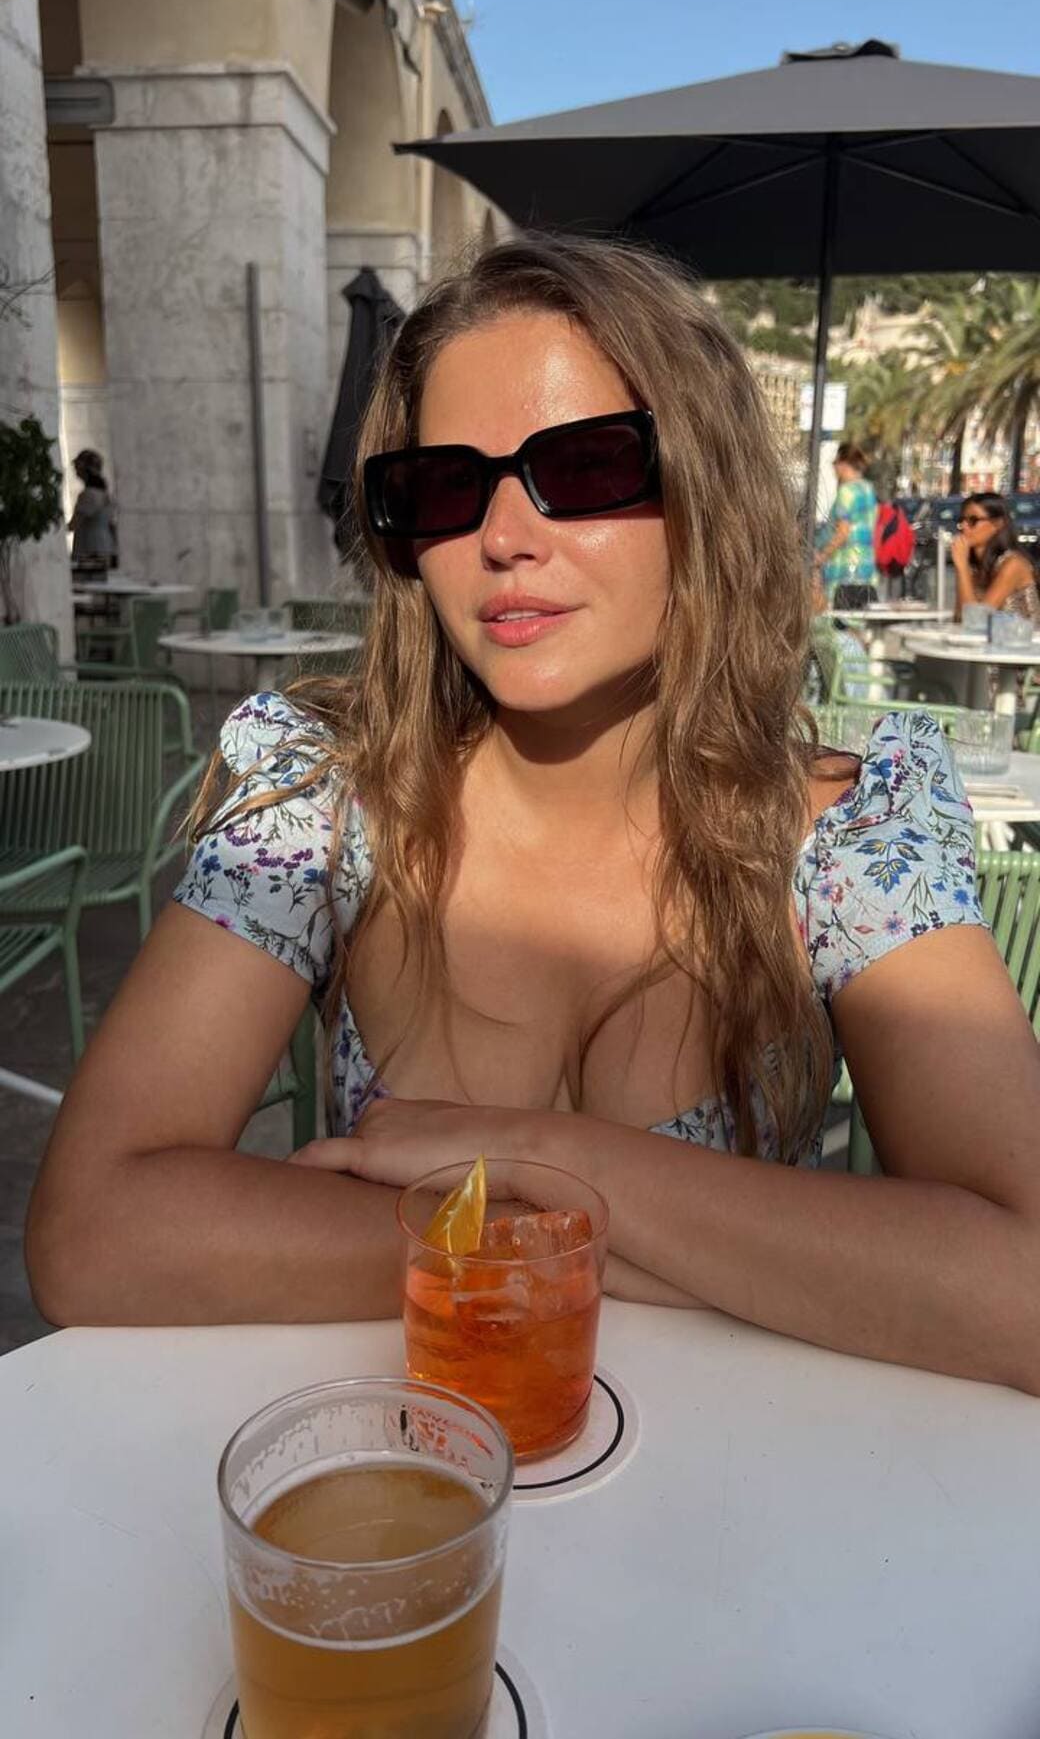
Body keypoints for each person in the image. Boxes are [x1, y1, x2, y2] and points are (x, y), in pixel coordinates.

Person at [25, 236, 1040, 1395]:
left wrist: (541, 1160)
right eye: (443, 486)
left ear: (704, 490)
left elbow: (1020, 1289)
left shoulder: (846, 836)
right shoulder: (322, 805)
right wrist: (615, 1242)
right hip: (423, 1468)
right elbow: (92, 1229)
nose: (501, 536)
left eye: (586, 463)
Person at [952, 492, 1040, 628]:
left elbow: (976, 622)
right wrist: (963, 568)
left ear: (998, 524)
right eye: (961, 520)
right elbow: (959, 619)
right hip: (991, 640)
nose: (964, 526)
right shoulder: (974, 566)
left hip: (1022, 640)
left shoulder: (1014, 564)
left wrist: (962, 567)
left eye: (973, 521)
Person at [814, 442, 878, 609]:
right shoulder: (868, 489)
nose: (834, 470)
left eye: (834, 464)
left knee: (839, 619)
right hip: (866, 568)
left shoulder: (846, 492)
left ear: (843, 464)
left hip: (845, 570)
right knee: (858, 619)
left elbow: (843, 532)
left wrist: (822, 557)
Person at [69, 449, 118, 568]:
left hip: (90, 549)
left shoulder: (88, 495)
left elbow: (73, 524)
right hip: (106, 547)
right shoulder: (106, 495)